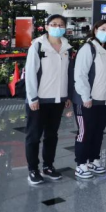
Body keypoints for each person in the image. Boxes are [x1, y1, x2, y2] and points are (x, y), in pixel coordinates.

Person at [24, 14, 73, 185]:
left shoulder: (67, 47)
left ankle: (48, 166)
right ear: (46, 27)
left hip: (58, 99)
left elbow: (67, 73)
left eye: (61, 25)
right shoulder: (38, 46)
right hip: (39, 99)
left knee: (52, 135)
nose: (57, 27)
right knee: (34, 136)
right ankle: (32, 169)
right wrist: (32, 98)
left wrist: (67, 95)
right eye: (54, 24)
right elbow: (30, 73)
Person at [72, 20, 106, 179]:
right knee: (85, 132)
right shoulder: (88, 48)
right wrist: (86, 96)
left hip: (103, 99)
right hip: (86, 100)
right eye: (103, 29)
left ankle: (93, 159)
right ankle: (81, 163)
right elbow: (80, 74)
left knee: (98, 131)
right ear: (95, 30)